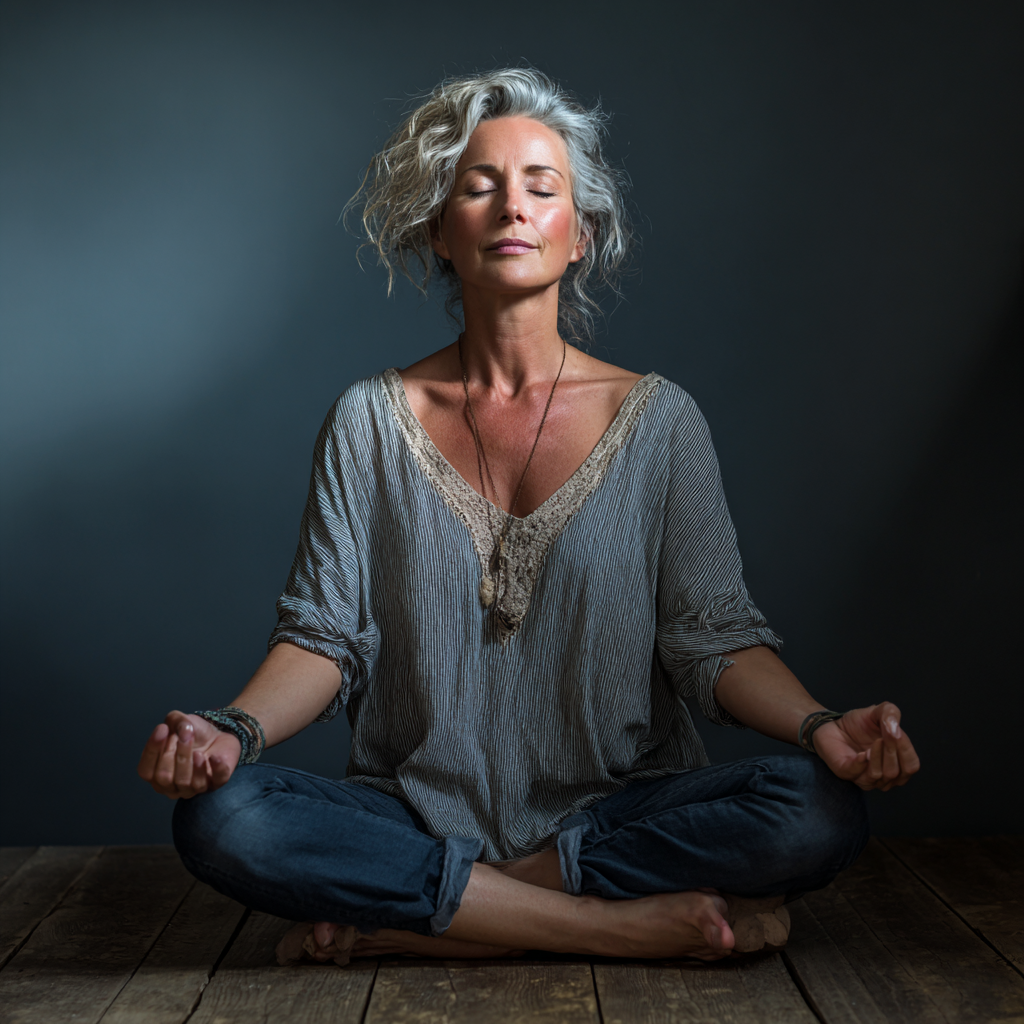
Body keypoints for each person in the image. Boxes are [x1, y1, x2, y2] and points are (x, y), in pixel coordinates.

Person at [137, 67, 920, 964]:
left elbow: (714, 640)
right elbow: (322, 642)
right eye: (479, 186)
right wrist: (228, 734)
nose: (512, 206)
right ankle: (613, 930)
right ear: (438, 230)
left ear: (580, 234)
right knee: (225, 819)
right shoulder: (368, 419)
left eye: (541, 188)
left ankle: (433, 924)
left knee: (815, 809)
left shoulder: (661, 422)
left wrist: (824, 726)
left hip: (619, 807)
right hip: (413, 809)